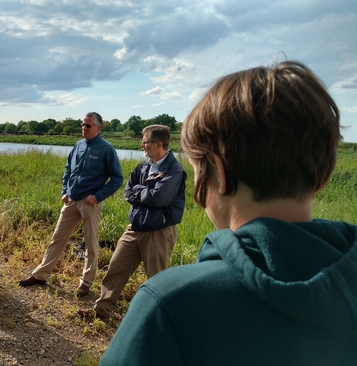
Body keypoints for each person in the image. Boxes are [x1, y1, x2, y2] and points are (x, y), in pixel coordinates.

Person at [100, 60, 357, 365]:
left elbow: (148, 196)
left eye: (197, 170)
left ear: (218, 174)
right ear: (323, 177)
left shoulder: (171, 303)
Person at [78, 124, 186, 320]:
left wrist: (140, 191)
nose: (142, 145)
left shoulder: (175, 170)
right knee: (116, 269)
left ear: (158, 144)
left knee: (157, 280)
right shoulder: (144, 166)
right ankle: (101, 311)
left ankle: (160, 323)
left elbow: (159, 198)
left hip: (159, 232)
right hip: (134, 228)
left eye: (145, 142)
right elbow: (128, 192)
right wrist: (143, 193)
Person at [19, 112, 123, 296]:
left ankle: (86, 282)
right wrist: (64, 191)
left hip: (90, 203)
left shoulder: (106, 149)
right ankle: (40, 275)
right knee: (57, 239)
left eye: (88, 125)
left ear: (98, 128)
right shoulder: (78, 145)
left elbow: (117, 178)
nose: (84, 128)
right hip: (71, 200)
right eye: (83, 124)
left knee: (91, 244)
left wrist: (97, 197)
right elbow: (68, 169)